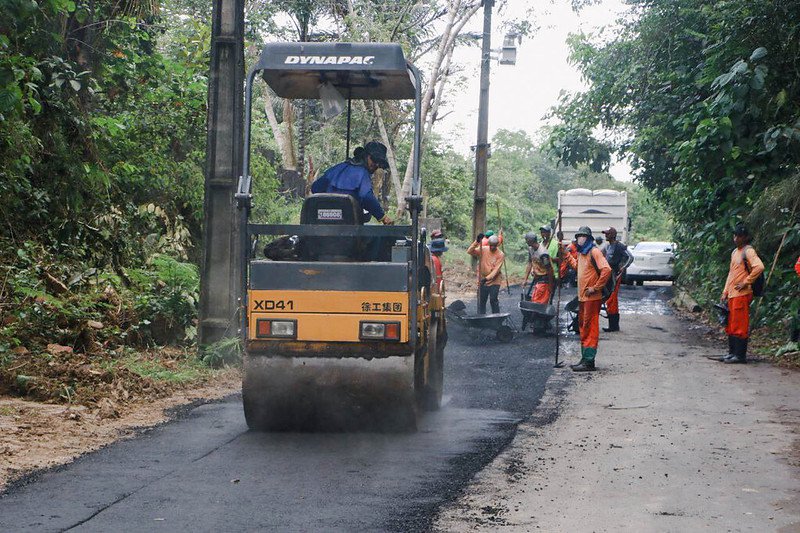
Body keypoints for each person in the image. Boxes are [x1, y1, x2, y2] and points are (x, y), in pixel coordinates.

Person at [311, 141, 393, 225]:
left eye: (380, 163)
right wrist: (382, 217)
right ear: (365, 156)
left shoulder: (337, 168)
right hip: (348, 226)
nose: (376, 164)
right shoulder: (362, 173)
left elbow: (315, 188)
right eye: (374, 160)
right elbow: (366, 197)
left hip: (323, 224)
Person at [564, 226, 612, 372]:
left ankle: (589, 361)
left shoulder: (594, 251)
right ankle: (585, 358)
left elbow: (606, 270)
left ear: (589, 238)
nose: (580, 239)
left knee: (590, 327)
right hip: (583, 297)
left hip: (592, 297)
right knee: (583, 327)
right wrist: (566, 255)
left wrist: (596, 287)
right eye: (579, 236)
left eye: (583, 236)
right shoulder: (581, 254)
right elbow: (578, 267)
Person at [716, 224, 764, 364]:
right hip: (732, 294)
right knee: (730, 324)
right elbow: (731, 274)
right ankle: (732, 353)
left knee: (740, 325)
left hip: (742, 294)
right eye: (735, 235)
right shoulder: (734, 252)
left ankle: (740, 355)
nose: (736, 239)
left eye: (739, 236)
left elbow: (759, 267)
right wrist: (725, 291)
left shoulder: (748, 251)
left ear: (745, 237)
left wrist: (746, 282)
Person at [601, 227, 633, 332]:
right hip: (608, 275)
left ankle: (614, 326)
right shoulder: (607, 246)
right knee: (609, 298)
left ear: (612, 235)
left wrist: (623, 267)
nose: (605, 235)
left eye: (607, 234)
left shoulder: (619, 246)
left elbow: (630, 257)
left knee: (612, 299)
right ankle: (612, 325)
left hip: (615, 276)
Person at [467, 233, 505, 314]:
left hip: (495, 281)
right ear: (489, 244)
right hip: (483, 279)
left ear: (497, 245)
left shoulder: (500, 254)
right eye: (491, 245)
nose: (492, 247)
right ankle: (481, 318)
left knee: (493, 299)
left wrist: (486, 279)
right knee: (482, 300)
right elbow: (469, 251)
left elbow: (496, 271)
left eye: (494, 246)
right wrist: (477, 242)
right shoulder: (483, 249)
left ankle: (496, 318)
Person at [524, 233, 553, 304]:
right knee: (535, 299)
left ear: (530, 241)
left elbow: (549, 269)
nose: (525, 241)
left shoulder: (543, 253)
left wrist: (550, 285)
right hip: (537, 277)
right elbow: (530, 263)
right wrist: (525, 279)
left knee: (539, 301)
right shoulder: (531, 249)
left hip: (545, 278)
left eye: (526, 240)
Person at [540, 225, 560, 298]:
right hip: (541, 274)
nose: (543, 234)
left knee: (549, 294)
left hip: (553, 273)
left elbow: (561, 259)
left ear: (549, 233)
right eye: (542, 232)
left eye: (545, 232)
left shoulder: (556, 244)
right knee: (542, 295)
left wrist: (550, 259)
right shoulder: (540, 245)